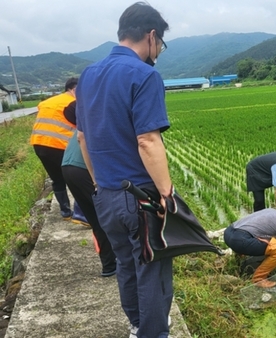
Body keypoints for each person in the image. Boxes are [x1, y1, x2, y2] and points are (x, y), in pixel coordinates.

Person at [75, 3, 172, 337]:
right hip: (139, 198)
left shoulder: (88, 75)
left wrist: (99, 186)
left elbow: (83, 138)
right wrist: (166, 194)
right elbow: (147, 140)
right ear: (151, 36)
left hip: (106, 195)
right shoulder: (144, 75)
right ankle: (152, 333)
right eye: (160, 43)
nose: (158, 50)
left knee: (126, 268)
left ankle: (136, 326)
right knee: (152, 271)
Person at [61, 112, 117, 277]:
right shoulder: (109, 117)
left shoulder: (93, 115)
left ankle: (109, 266)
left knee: (96, 218)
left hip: (67, 166)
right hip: (83, 167)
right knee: (109, 216)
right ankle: (121, 262)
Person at [30, 78, 79, 220]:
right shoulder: (72, 103)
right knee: (75, 177)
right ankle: (81, 214)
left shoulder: (49, 102)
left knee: (57, 178)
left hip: (39, 144)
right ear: (74, 89)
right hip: (59, 145)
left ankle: (65, 212)